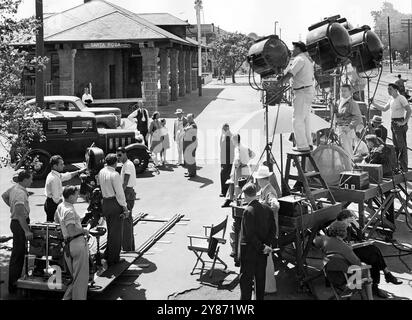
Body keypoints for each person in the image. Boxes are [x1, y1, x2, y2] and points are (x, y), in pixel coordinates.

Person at [336, 210, 401, 298]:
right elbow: (340, 244)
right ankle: (383, 278)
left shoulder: (349, 226)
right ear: (343, 219)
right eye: (349, 220)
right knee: (373, 253)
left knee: (374, 252)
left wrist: (357, 225)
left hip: (355, 248)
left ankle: (380, 281)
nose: (350, 222)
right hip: (347, 253)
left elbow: (360, 238)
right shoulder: (338, 227)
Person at [239, 183, 276, 300]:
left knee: (246, 282)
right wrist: (266, 246)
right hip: (262, 253)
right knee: (260, 280)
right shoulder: (268, 209)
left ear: (245, 195)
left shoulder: (248, 211)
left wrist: (261, 247)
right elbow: (272, 230)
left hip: (249, 253)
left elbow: (250, 235)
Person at [54, 186, 89, 300]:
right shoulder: (69, 210)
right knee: (81, 279)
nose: (77, 196)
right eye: (76, 194)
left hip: (68, 246)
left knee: (75, 278)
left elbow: (56, 219)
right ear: (70, 196)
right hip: (77, 244)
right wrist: (84, 230)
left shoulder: (60, 206)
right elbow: (72, 230)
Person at [279, 41, 315, 152]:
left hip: (302, 92)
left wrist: (281, 80)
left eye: (293, 48)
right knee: (305, 120)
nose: (292, 50)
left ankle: (302, 145)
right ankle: (308, 143)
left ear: (299, 49)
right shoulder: (306, 59)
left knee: (297, 120)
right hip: (307, 91)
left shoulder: (299, 59)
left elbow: (290, 74)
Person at [2, 170, 33, 294]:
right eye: (30, 179)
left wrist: (12, 207)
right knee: (18, 256)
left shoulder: (15, 188)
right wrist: (27, 231)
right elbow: (20, 215)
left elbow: (4, 196)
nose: (32, 181)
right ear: (25, 180)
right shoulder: (20, 193)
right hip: (20, 224)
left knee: (18, 254)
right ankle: (14, 284)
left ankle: (15, 282)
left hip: (16, 223)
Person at [371, 83, 412, 172]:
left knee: (402, 146)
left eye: (390, 89)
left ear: (395, 90)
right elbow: (384, 108)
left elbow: (409, 110)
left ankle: (404, 167)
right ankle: (398, 166)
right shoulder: (391, 99)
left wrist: (404, 122)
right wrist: (373, 103)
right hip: (393, 123)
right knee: (396, 146)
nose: (388, 91)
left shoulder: (401, 98)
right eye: (388, 89)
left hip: (399, 122)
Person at [253, 165, 280, 295]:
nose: (257, 181)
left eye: (258, 179)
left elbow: (275, 205)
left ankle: (269, 287)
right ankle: (266, 286)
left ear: (262, 179)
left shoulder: (269, 191)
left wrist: (264, 209)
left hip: (267, 231)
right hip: (265, 230)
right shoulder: (265, 189)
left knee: (266, 259)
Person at [98, 154, 129, 266]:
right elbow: (119, 193)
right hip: (114, 203)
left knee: (111, 230)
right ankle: (114, 258)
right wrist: (125, 207)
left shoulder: (101, 171)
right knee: (116, 233)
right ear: (115, 163)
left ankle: (108, 253)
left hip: (105, 202)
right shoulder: (115, 174)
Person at [44, 155, 86, 222]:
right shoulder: (54, 179)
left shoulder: (54, 174)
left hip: (51, 203)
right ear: (55, 166)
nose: (63, 166)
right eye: (61, 164)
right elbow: (56, 199)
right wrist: (67, 208)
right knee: (55, 227)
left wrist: (79, 172)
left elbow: (66, 176)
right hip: (53, 206)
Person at [222, 134, 255, 208]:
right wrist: (247, 160)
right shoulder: (245, 147)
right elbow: (253, 155)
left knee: (238, 187)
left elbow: (237, 160)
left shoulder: (237, 148)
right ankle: (248, 201)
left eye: (232, 140)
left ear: (235, 140)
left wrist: (236, 166)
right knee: (247, 184)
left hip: (239, 169)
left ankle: (238, 204)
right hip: (246, 167)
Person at [335, 84, 363, 159]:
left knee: (347, 151)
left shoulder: (352, 103)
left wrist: (349, 127)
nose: (343, 93)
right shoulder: (339, 102)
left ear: (350, 92)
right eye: (341, 91)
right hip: (339, 128)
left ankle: (350, 167)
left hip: (346, 129)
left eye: (345, 91)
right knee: (341, 151)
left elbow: (358, 117)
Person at [117, 147, 136, 252]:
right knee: (127, 221)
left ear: (125, 154)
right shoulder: (125, 164)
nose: (118, 157)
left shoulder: (127, 165)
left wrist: (121, 195)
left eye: (120, 155)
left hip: (127, 193)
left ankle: (128, 248)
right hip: (128, 193)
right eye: (117, 155)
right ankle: (129, 246)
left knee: (126, 221)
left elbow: (125, 182)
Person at [220, 123, 234, 197]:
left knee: (224, 174)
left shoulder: (228, 136)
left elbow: (228, 150)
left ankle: (225, 192)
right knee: (225, 175)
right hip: (224, 159)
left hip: (227, 160)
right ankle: (226, 191)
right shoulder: (224, 135)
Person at [183, 114, 198, 178]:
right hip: (187, 143)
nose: (188, 119)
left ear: (193, 118)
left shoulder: (193, 125)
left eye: (189, 118)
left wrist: (186, 128)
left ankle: (192, 173)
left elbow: (187, 128)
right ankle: (190, 171)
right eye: (187, 118)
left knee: (191, 158)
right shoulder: (188, 123)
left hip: (191, 144)